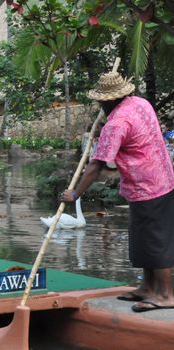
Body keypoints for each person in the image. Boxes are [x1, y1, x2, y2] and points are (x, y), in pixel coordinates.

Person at [61, 71, 174, 313]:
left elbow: (97, 166)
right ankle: (148, 287)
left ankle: (165, 294)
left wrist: (75, 194)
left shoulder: (116, 124)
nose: (99, 105)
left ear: (107, 101)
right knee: (143, 237)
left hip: (149, 184)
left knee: (155, 239)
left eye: (101, 102)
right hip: (157, 178)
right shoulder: (140, 103)